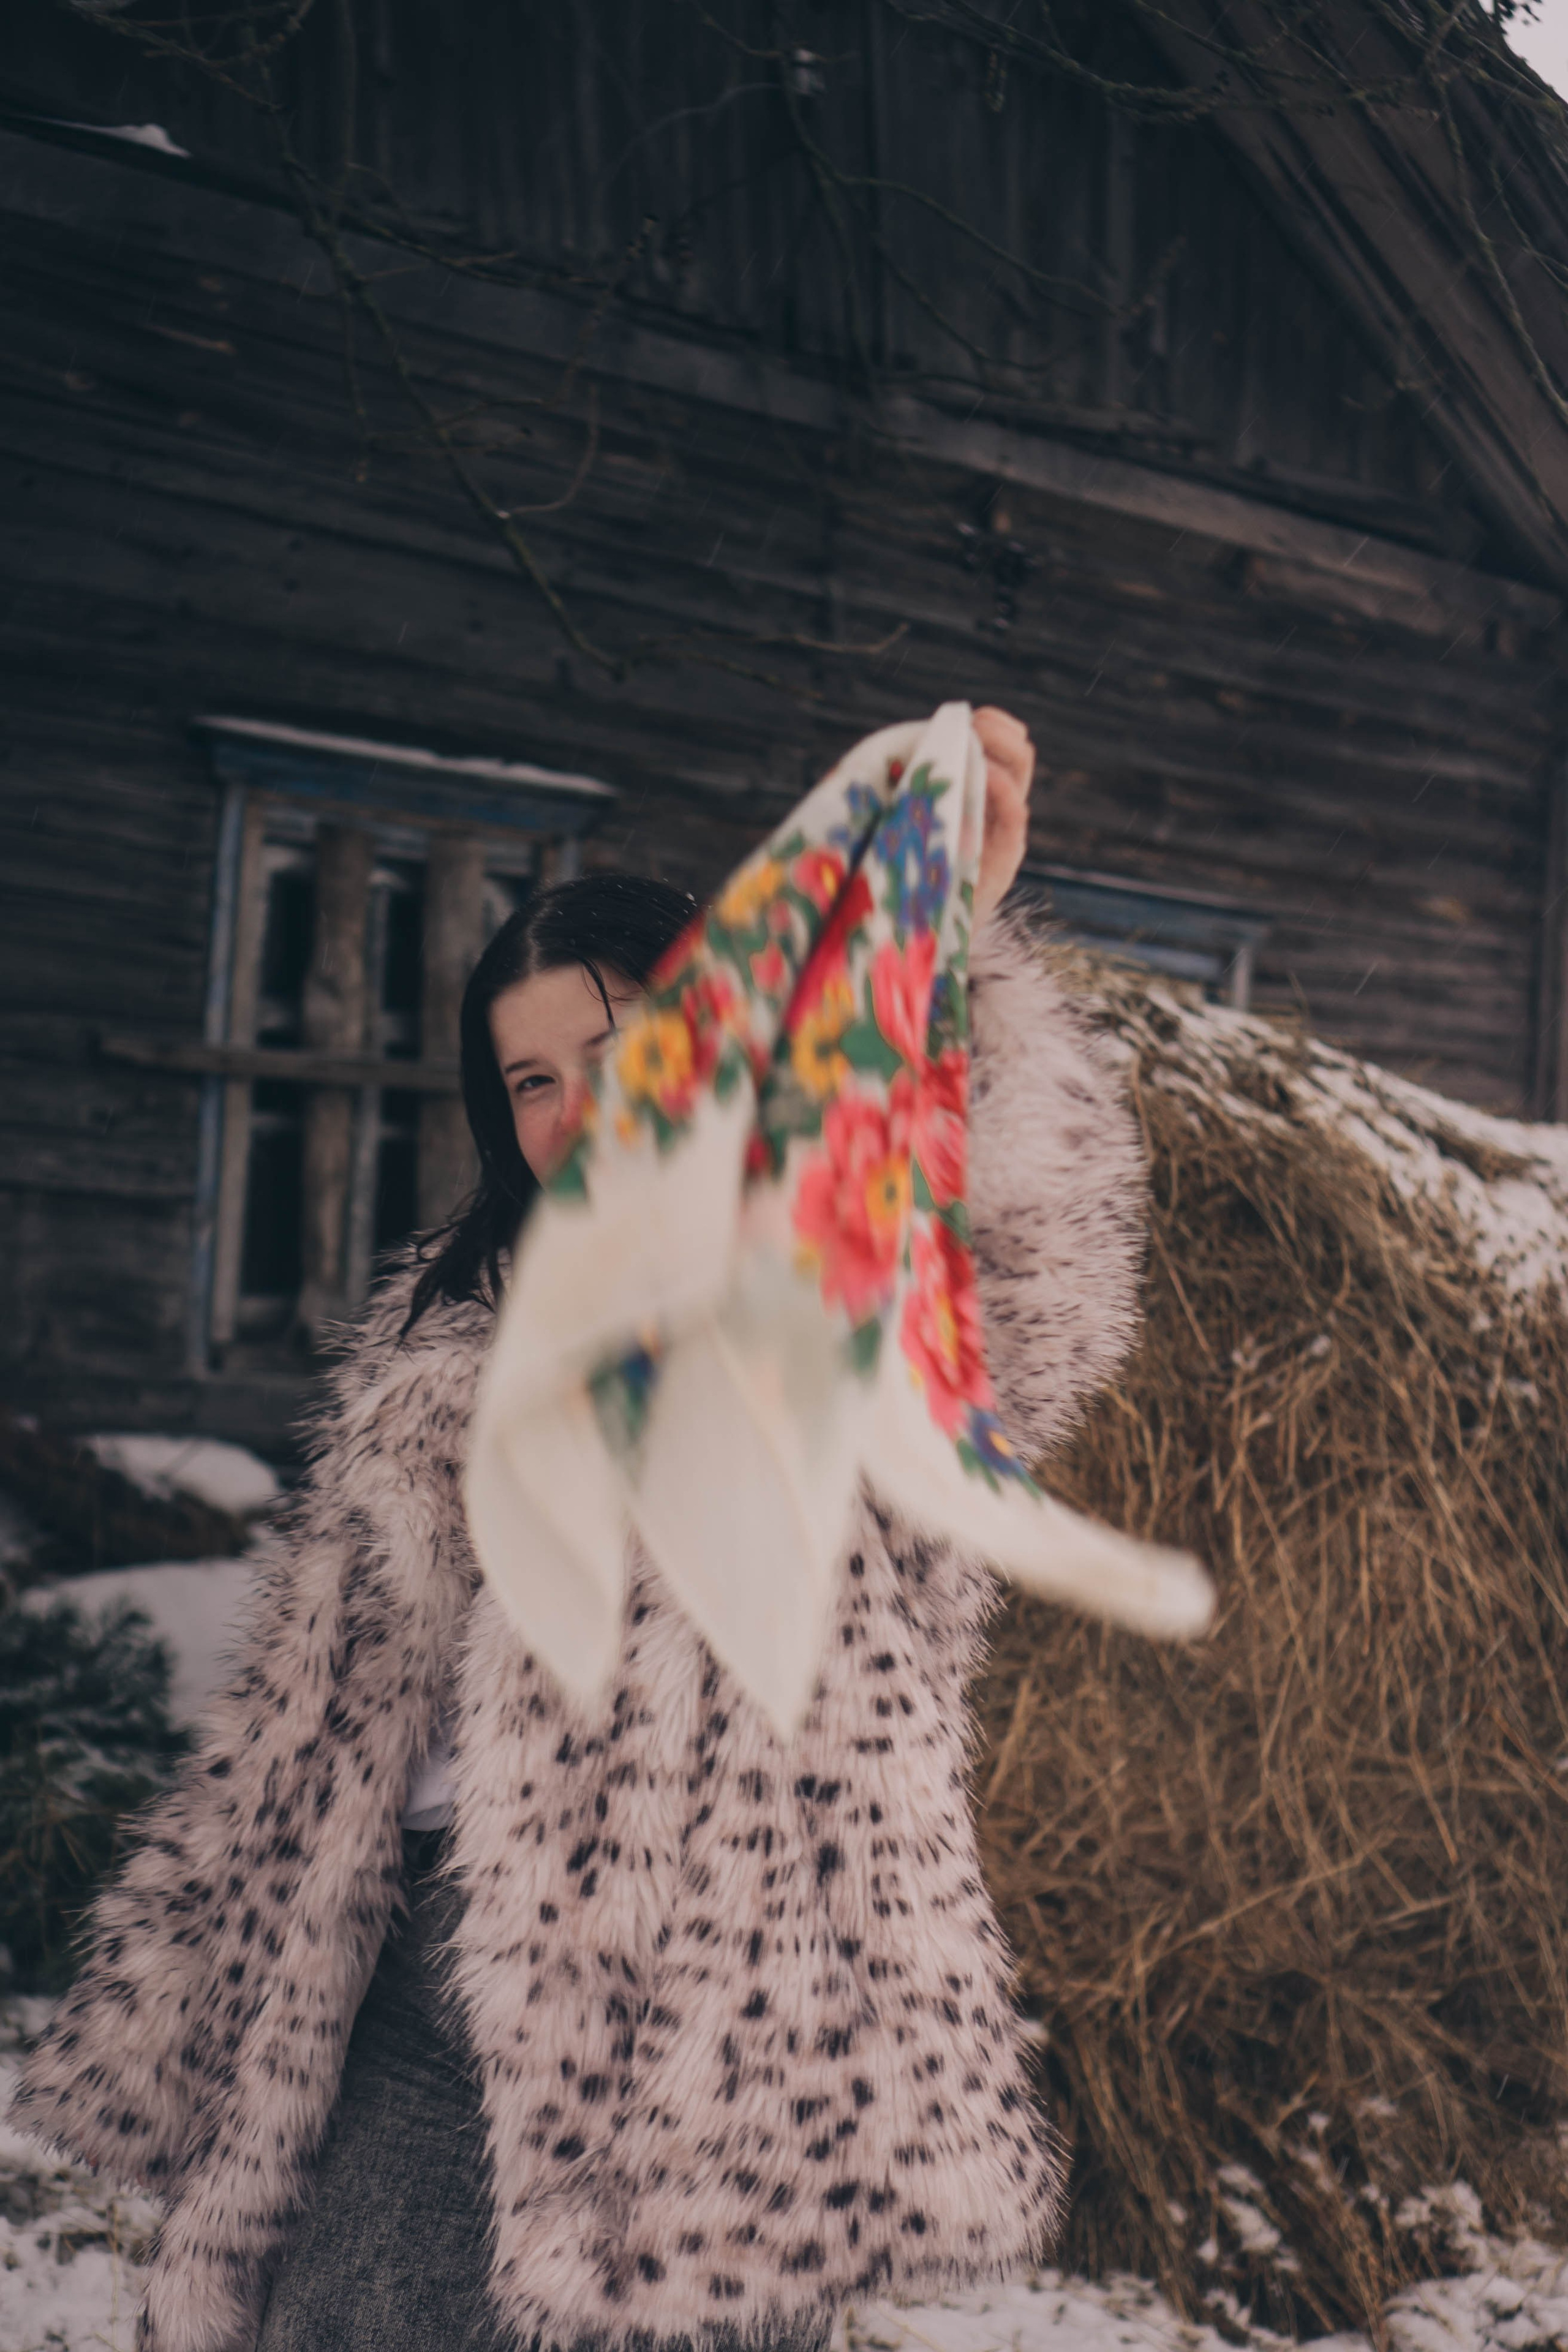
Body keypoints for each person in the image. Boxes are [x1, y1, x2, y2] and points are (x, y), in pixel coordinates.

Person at [10, 708, 1147, 2352]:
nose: (569, 1114)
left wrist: (946, 956)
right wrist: (212, 1971)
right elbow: (312, 1712)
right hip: (409, 1967)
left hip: (713, 2025)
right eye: (530, 1080)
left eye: (619, 1055)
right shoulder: (454, 1328)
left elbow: (1024, 1272)